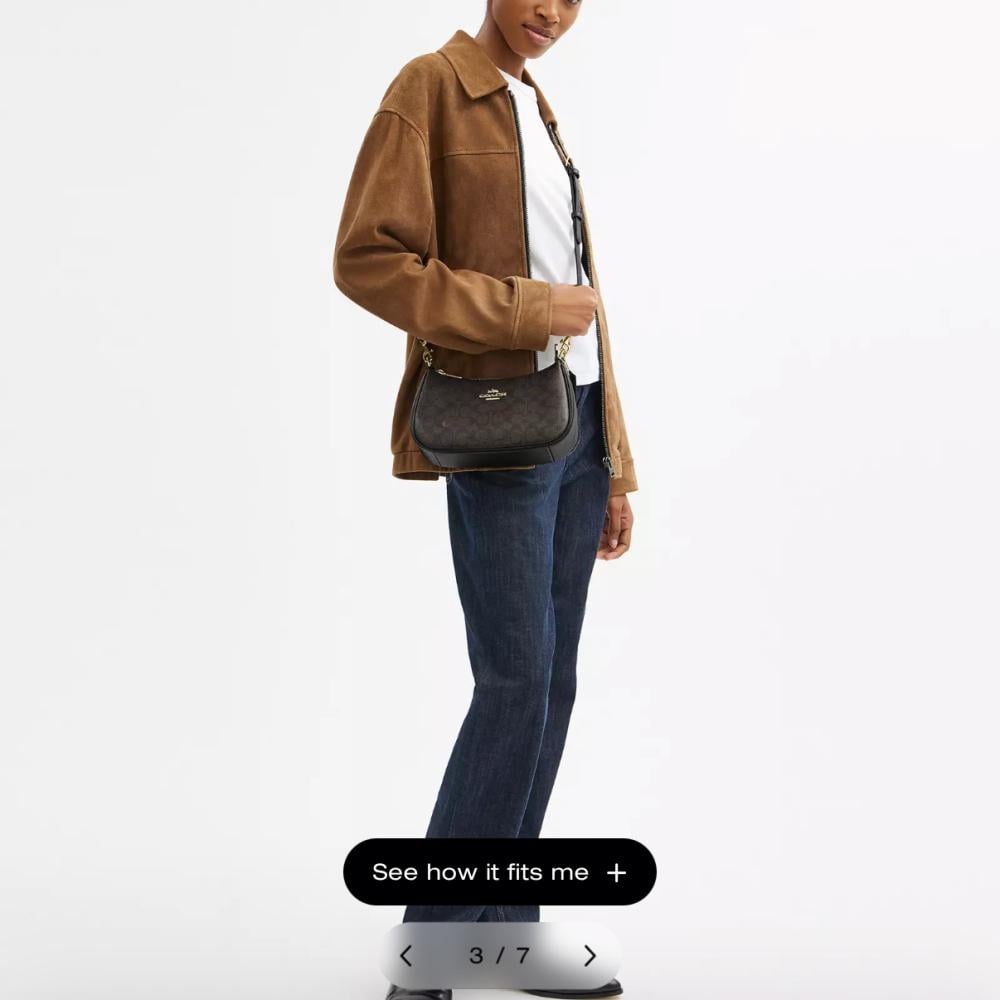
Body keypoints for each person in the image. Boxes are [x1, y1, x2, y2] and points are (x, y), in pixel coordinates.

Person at [333, 3, 638, 998]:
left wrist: (616, 465)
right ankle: (429, 943)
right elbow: (368, 259)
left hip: (574, 424)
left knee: (551, 687)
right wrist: (526, 309)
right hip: (504, 427)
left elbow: (579, 293)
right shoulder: (431, 87)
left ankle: (505, 926)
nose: (550, 10)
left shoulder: (535, 106)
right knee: (513, 684)